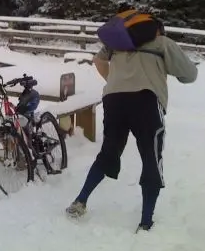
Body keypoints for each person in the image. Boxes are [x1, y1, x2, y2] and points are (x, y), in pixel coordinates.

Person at [65, 14, 198, 231]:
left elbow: (98, 61)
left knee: (109, 151)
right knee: (151, 156)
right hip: (146, 100)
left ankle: (80, 201)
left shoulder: (117, 43)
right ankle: (145, 222)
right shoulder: (162, 42)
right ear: (158, 30)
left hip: (114, 100)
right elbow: (190, 75)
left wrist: (117, 82)